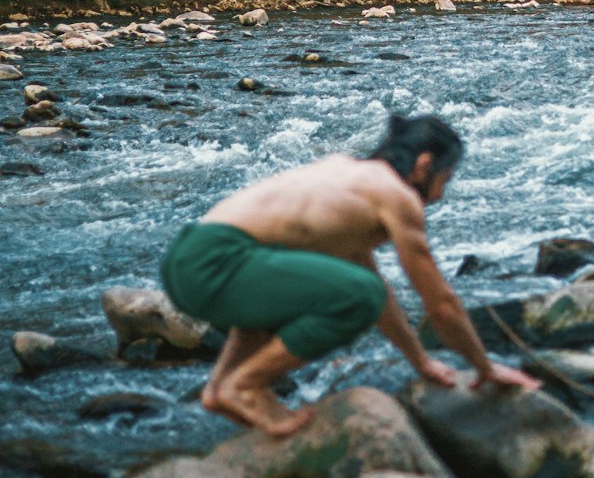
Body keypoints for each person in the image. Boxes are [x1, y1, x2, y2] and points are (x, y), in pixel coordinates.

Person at [160, 112, 540, 436]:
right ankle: (247, 384)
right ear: (425, 164)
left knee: (319, 292)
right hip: (215, 264)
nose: (439, 195)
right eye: (446, 178)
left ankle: (219, 389)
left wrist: (420, 361)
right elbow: (439, 303)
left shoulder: (349, 177)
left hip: (187, 261)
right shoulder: (396, 196)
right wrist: (485, 369)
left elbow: (374, 287)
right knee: (359, 295)